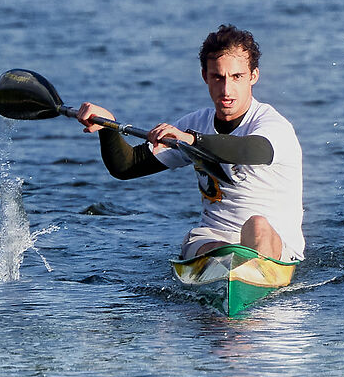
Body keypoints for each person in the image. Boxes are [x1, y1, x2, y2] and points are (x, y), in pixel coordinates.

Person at [73, 25, 304, 266]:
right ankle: (229, 270)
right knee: (202, 245)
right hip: (216, 238)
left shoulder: (272, 125)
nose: (226, 89)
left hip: (275, 245)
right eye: (217, 77)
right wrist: (108, 127)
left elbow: (252, 150)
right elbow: (126, 165)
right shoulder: (195, 123)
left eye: (237, 77)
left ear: (253, 76)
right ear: (205, 76)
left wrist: (192, 140)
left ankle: (246, 273)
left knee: (257, 224)